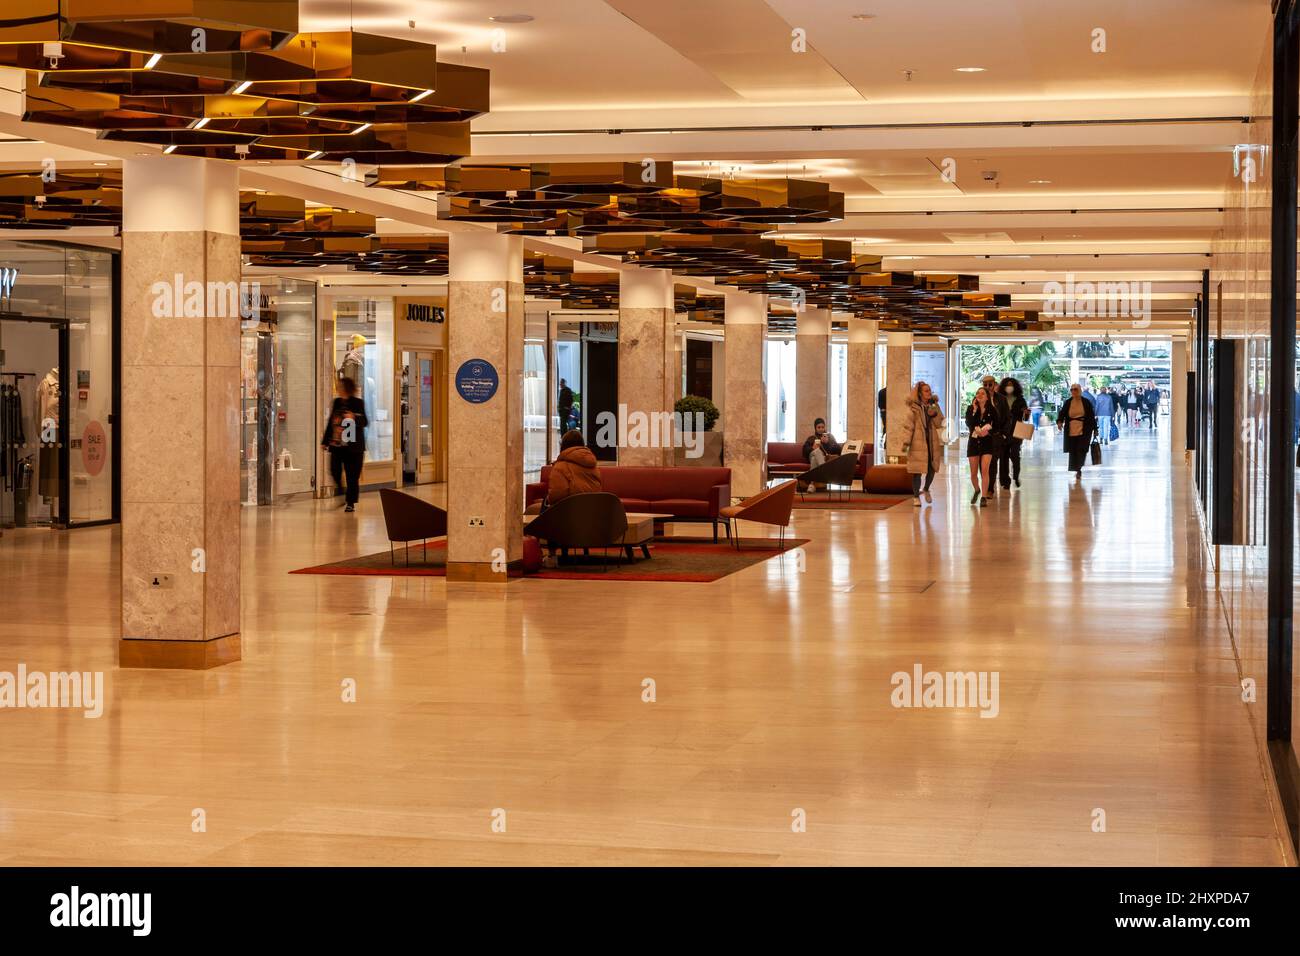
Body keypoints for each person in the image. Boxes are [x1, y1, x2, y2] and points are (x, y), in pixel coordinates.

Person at [320, 376, 368, 512]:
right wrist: (325, 441)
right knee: (334, 469)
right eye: (338, 386)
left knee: (352, 476)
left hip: (353, 447)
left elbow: (365, 421)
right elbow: (331, 422)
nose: (338, 388)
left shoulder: (358, 403)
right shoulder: (336, 402)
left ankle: (350, 503)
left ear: (347, 388)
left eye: (340, 386)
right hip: (337, 444)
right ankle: (341, 490)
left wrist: (354, 417)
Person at [900, 381, 945, 507]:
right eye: (926, 390)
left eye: (930, 390)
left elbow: (939, 423)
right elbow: (908, 426)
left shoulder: (934, 405)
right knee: (917, 471)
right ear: (919, 393)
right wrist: (906, 442)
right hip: (917, 443)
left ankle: (926, 489)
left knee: (932, 468)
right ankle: (915, 497)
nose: (929, 392)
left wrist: (934, 412)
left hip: (931, 442)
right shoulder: (913, 408)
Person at [964, 385, 1001, 506]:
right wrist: (974, 410)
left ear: (987, 397)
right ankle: (977, 490)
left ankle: (984, 497)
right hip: (974, 443)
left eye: (982, 393)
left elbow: (997, 426)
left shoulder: (992, 410)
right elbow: (969, 422)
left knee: (985, 471)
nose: (979, 395)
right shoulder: (971, 409)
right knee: (973, 473)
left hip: (987, 443)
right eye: (978, 393)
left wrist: (988, 431)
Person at [546, 429, 601, 505]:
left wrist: (547, 499)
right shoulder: (592, 465)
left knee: (531, 510)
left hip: (571, 512)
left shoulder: (560, 466)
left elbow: (556, 495)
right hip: (595, 509)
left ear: (563, 445)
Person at [1056, 383, 1097, 478]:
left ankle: (1079, 467)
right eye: (1072, 390)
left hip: (1085, 429)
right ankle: (1076, 468)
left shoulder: (1086, 402)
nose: (1073, 391)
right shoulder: (1068, 402)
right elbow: (1062, 413)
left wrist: (1095, 429)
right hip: (1071, 428)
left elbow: (1091, 416)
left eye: (1075, 389)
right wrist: (1059, 422)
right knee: (1073, 449)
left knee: (1082, 449)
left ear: (1080, 391)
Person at [996, 377, 1030, 489]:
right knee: (1003, 456)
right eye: (1007, 385)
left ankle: (1016, 476)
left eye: (1011, 385)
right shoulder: (1000, 399)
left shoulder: (1020, 399)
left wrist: (1026, 412)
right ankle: (1005, 481)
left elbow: (1025, 417)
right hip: (1003, 430)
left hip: (1017, 429)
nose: (1009, 387)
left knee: (1015, 455)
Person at [982, 374, 1010, 492]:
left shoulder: (1001, 399)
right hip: (983, 436)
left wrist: (1003, 434)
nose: (988, 387)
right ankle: (986, 485)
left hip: (996, 436)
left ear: (995, 384)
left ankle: (990, 488)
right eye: (985, 384)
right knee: (983, 464)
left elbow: (1007, 418)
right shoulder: (979, 397)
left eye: (990, 384)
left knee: (993, 462)